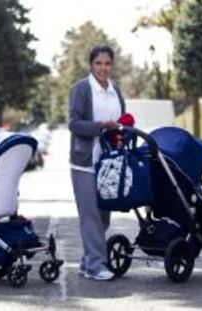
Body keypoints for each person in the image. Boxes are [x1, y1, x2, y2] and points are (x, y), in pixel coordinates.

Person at [68, 45, 125, 281]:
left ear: (112, 65)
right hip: (84, 162)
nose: (103, 68)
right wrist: (100, 126)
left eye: (107, 64)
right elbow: (74, 123)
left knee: (103, 216)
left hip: (109, 163)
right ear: (91, 65)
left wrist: (121, 131)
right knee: (90, 214)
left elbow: (122, 121)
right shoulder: (81, 89)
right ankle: (96, 266)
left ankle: (87, 261)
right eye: (98, 63)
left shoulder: (116, 91)